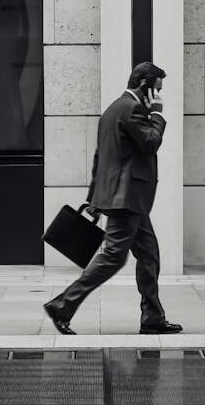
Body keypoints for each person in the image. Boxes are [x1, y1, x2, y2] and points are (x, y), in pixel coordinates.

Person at [43, 62, 184, 335]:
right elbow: (151, 143)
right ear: (145, 86)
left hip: (128, 199)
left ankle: (153, 318)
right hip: (127, 199)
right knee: (112, 258)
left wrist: (94, 199)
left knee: (149, 256)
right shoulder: (133, 110)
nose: (159, 96)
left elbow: (102, 158)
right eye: (157, 90)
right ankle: (62, 305)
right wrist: (157, 115)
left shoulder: (112, 109)